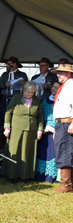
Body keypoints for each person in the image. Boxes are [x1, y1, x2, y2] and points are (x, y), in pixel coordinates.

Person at [1, 81, 43, 184]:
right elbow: (8, 113)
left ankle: (26, 176)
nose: (30, 94)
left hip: (31, 130)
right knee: (16, 151)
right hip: (16, 129)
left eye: (32, 92)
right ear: (23, 91)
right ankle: (13, 175)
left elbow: (40, 116)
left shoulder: (36, 100)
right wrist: (7, 127)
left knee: (28, 153)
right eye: (28, 92)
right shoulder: (16, 98)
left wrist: (40, 130)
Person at [51, 63, 73, 192]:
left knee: (65, 151)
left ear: (68, 74)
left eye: (61, 72)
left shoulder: (70, 86)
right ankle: (67, 183)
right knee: (62, 150)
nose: (58, 74)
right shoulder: (65, 86)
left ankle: (66, 185)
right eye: (58, 72)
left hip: (66, 122)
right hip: (61, 123)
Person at [35, 82, 61, 183]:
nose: (53, 89)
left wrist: (52, 128)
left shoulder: (60, 101)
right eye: (53, 87)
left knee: (53, 153)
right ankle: (41, 175)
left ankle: (51, 176)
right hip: (44, 131)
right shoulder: (45, 100)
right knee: (43, 152)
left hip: (54, 131)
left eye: (56, 88)